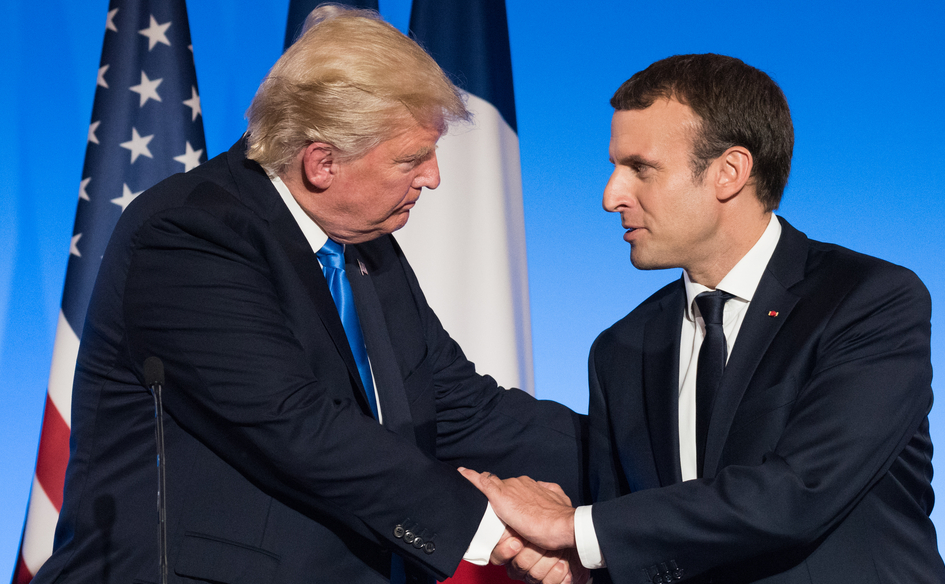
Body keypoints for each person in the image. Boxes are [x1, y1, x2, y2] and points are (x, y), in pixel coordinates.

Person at [32, 7, 584, 584]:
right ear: (321, 163)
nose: (433, 178)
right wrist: (497, 531)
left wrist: (643, 460)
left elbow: (461, 408)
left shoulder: (366, 246)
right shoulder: (190, 234)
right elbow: (294, 425)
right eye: (411, 159)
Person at [462, 53, 945, 583]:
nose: (611, 196)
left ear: (729, 172)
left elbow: (800, 493)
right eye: (614, 167)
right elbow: (647, 536)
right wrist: (584, 568)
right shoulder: (620, 349)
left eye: (640, 168)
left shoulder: (869, 300)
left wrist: (577, 529)